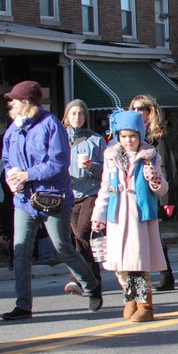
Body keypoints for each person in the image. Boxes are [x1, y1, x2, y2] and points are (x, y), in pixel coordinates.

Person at [0, 81, 103, 320]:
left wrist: (28, 175)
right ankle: (23, 305)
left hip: (52, 198)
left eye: (14, 100)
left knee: (62, 248)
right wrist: (12, 179)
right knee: (21, 251)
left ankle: (91, 285)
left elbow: (58, 163)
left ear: (26, 102)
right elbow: (7, 159)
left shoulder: (50, 125)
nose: (10, 103)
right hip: (24, 199)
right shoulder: (14, 129)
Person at [91, 110, 169, 322]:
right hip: (117, 215)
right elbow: (105, 188)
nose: (128, 141)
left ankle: (145, 305)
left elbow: (162, 189)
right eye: (124, 136)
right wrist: (98, 215)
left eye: (133, 136)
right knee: (120, 264)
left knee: (138, 262)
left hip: (139, 215)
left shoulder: (150, 157)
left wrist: (155, 180)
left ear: (140, 135)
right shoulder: (111, 156)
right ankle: (130, 298)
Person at [129, 95, 178, 292]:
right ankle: (143, 284)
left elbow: (165, 164)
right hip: (131, 193)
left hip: (153, 191)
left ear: (151, 110)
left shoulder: (157, 134)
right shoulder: (129, 135)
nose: (136, 112)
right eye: (133, 108)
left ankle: (163, 277)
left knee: (152, 236)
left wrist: (167, 198)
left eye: (140, 108)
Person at [61, 99, 107, 296]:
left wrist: (91, 167)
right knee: (79, 239)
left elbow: (106, 170)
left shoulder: (95, 140)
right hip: (69, 195)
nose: (77, 117)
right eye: (73, 113)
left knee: (81, 235)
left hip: (91, 194)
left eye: (80, 113)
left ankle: (76, 279)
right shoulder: (59, 139)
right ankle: (95, 280)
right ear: (66, 117)